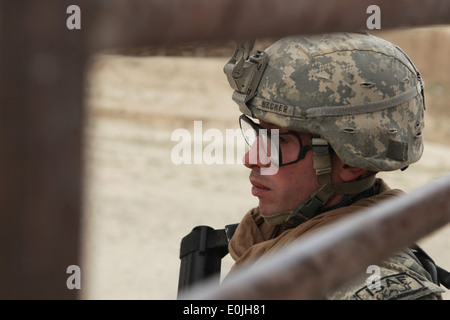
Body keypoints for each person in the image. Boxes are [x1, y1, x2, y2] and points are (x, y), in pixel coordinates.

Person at [222, 32, 446, 300]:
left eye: (280, 142)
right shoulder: (272, 238)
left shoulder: (368, 283)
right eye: (260, 134)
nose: (252, 158)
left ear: (351, 164)